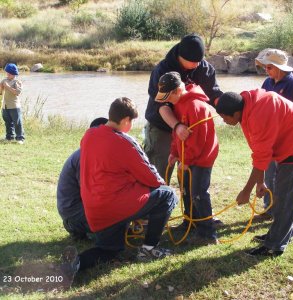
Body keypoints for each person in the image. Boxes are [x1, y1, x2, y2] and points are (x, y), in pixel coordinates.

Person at [61, 97, 178, 281]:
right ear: (125, 120)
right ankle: (149, 249)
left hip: (95, 212)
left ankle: (75, 264)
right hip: (114, 207)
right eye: (131, 122)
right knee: (168, 195)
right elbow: (150, 176)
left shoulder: (89, 136)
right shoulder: (124, 141)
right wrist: (158, 184)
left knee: (110, 250)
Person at [215, 90, 293, 257]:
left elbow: (262, 154)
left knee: (285, 198)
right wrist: (260, 182)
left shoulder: (258, 115)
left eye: (225, 117)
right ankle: (283, 234)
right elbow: (260, 151)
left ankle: (275, 246)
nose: (224, 121)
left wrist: (246, 191)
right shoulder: (245, 107)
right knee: (286, 195)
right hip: (285, 145)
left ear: (236, 113)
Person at [144, 33, 223, 181]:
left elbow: (214, 94)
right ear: (181, 56)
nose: (197, 64)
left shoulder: (204, 68)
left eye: (200, 60)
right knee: (158, 176)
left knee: (188, 178)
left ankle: (188, 201)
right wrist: (177, 126)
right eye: (193, 62)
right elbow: (162, 104)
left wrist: (228, 108)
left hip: (190, 130)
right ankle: (156, 202)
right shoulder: (162, 71)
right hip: (163, 127)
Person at [156, 72, 219, 245]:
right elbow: (178, 132)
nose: (166, 101)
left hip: (201, 159)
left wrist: (187, 161)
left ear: (177, 90)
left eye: (168, 96)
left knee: (198, 193)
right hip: (187, 158)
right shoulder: (179, 103)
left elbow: (198, 140)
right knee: (186, 190)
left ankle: (208, 234)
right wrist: (174, 153)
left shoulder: (195, 106)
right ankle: (189, 222)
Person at [255, 49, 293, 219]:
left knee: (283, 180)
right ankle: (269, 209)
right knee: (269, 177)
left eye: (269, 67)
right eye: (264, 67)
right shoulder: (267, 83)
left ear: (279, 68)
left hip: (287, 141)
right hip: (270, 140)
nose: (266, 70)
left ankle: (281, 213)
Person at [56, 117, 108, 240]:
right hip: (74, 214)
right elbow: (90, 192)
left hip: (76, 210)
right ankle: (80, 228)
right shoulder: (85, 156)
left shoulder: (92, 152)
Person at [0, 63, 24, 144]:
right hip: (5, 106)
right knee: (8, 122)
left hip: (14, 106)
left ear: (13, 73)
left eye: (9, 73)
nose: (7, 74)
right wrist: (1, 87)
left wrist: (7, 86)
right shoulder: (4, 80)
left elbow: (17, 92)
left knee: (17, 123)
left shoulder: (17, 81)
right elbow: (1, 92)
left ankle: (20, 138)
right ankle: (9, 137)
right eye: (7, 72)